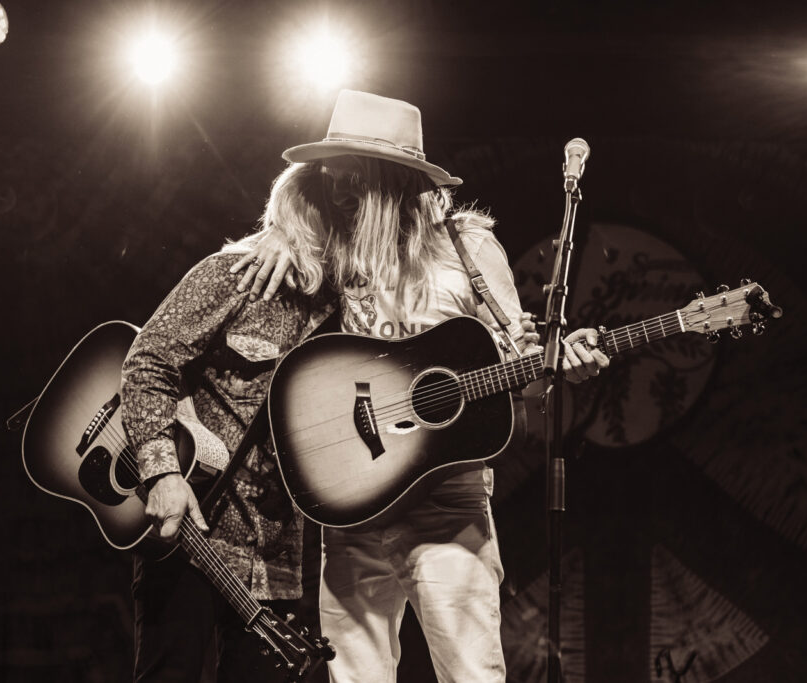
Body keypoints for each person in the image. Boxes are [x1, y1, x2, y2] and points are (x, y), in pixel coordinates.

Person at [231, 89, 610, 682]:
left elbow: (521, 367)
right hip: (353, 499)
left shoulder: (467, 247)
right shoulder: (329, 240)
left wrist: (559, 367)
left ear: (390, 180)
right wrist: (280, 232)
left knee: (470, 674)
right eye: (329, 177)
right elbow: (284, 223)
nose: (337, 191)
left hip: (446, 504)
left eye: (349, 177)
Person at [118, 216, 335, 681]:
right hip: (193, 536)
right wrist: (162, 472)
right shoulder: (236, 275)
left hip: (277, 559)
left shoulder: (354, 314)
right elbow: (147, 361)